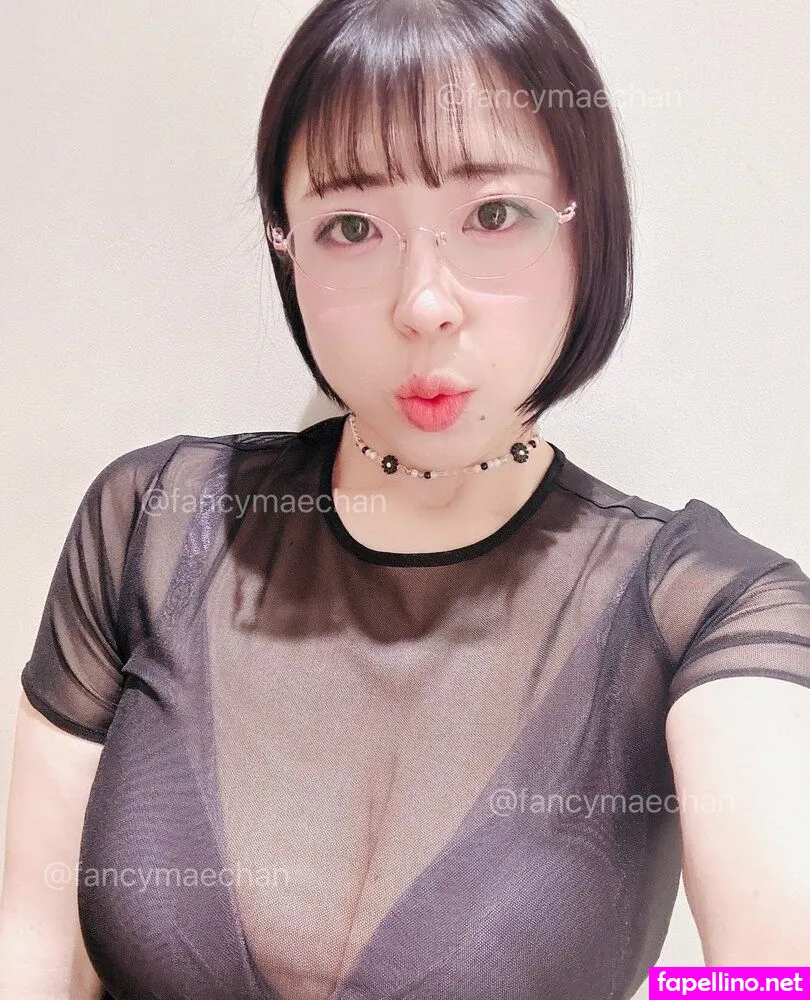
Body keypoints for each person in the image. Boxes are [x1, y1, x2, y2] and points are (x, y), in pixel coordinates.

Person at [2, 0, 809, 997]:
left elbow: (781, 975)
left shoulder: (709, 607)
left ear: (587, 227)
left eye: (493, 215)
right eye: (351, 227)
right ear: (286, 248)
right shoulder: (154, 521)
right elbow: (26, 946)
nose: (423, 304)